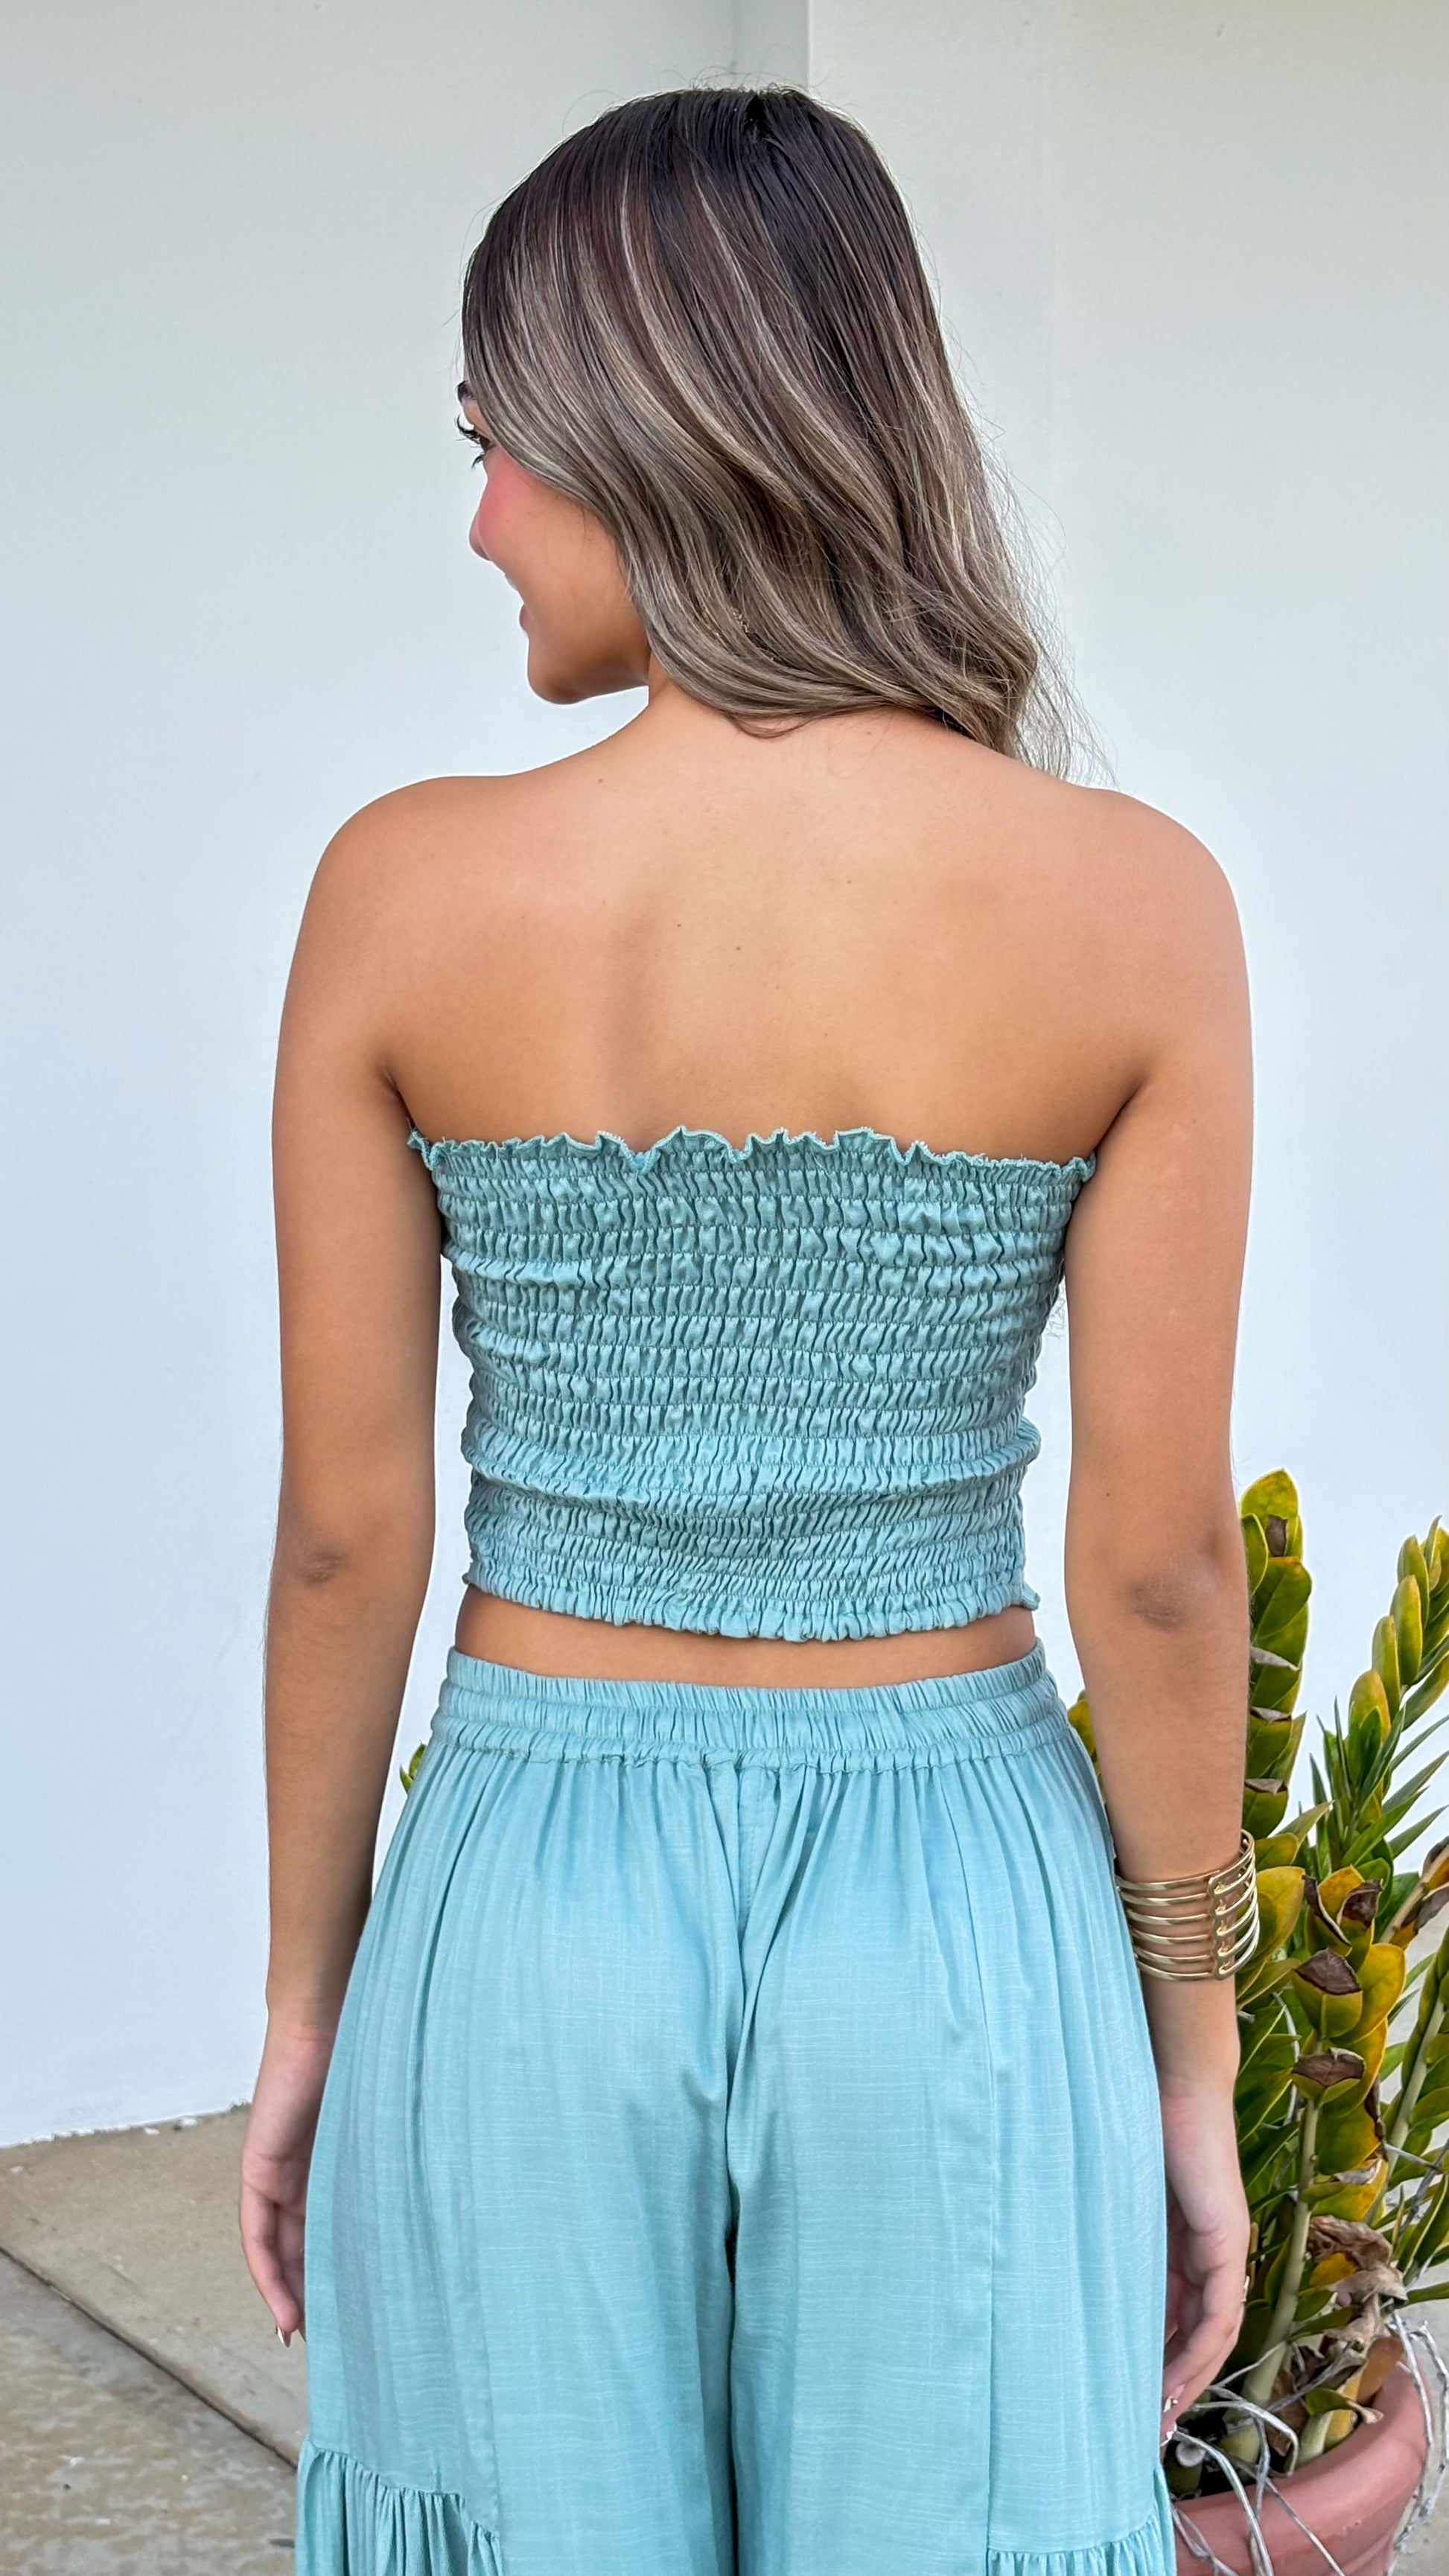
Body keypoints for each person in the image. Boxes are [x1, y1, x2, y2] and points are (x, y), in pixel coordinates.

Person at [240, 82, 1255, 2576]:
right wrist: (1193, 2054)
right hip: (953, 1903)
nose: (479, 517)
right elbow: (1155, 1570)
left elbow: (348, 1537)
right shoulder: (1132, 905)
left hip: (524, 1902)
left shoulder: (399, 893)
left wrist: (304, 2007)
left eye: (492, 442)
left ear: (647, 421)